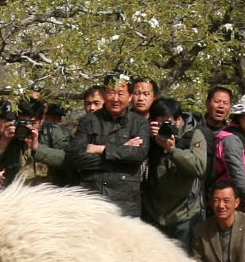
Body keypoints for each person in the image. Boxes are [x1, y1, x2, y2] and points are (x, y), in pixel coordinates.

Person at [69, 73, 150, 219]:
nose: (115, 99)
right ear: (105, 94)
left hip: (125, 203)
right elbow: (76, 158)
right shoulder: (89, 121)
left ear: (130, 96)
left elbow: (138, 155)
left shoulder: (139, 123)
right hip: (92, 200)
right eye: (111, 93)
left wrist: (102, 149)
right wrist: (122, 149)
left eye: (121, 93)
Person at [142, 98, 208, 247]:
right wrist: (147, 138)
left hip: (184, 213)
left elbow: (198, 167)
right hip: (154, 212)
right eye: (159, 124)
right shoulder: (149, 135)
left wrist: (172, 149)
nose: (163, 128)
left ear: (178, 120)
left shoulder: (193, 135)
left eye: (167, 123)